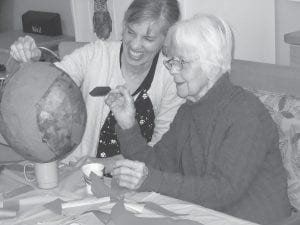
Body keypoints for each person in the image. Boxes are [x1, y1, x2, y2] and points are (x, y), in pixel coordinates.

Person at [105, 14, 292, 224]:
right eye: (171, 62)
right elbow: (157, 165)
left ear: (212, 64)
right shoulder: (188, 111)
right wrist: (127, 124)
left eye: (181, 62)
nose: (173, 71)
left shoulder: (246, 113)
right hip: (206, 216)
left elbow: (222, 190)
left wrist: (152, 180)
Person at [9, 0, 185, 164]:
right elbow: (52, 82)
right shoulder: (96, 55)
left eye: (148, 39)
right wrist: (34, 56)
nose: (135, 45)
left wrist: (110, 164)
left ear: (166, 39)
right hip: (80, 173)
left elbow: (162, 149)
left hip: (137, 178)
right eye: (131, 32)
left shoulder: (172, 78)